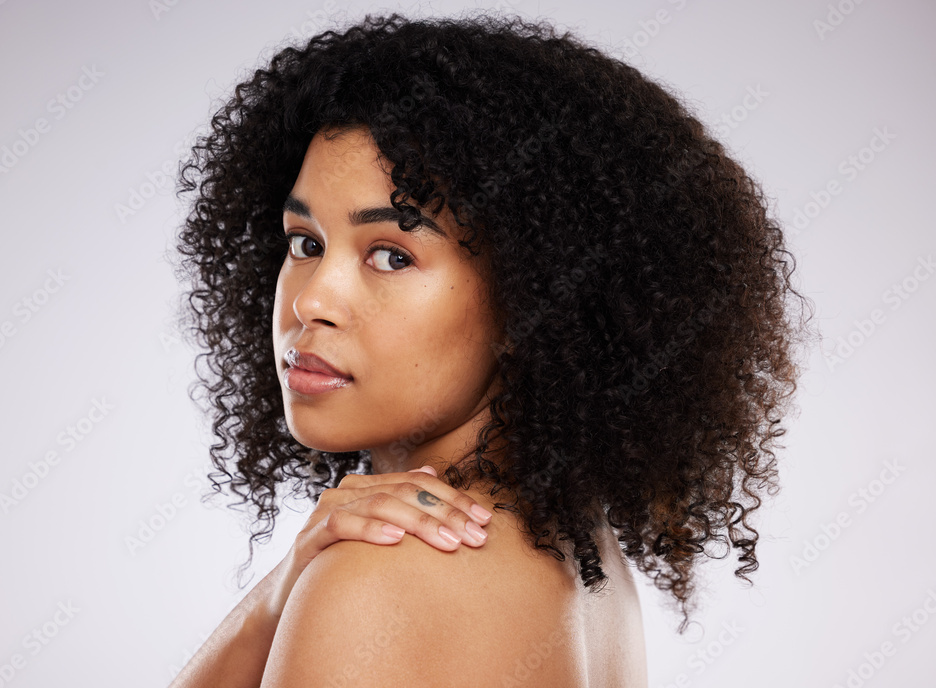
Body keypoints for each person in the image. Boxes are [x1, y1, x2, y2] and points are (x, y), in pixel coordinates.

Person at [169, 11, 812, 687]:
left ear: (530, 300)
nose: (311, 302)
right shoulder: (575, 554)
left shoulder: (382, 576)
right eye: (305, 243)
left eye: (390, 254)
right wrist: (275, 594)